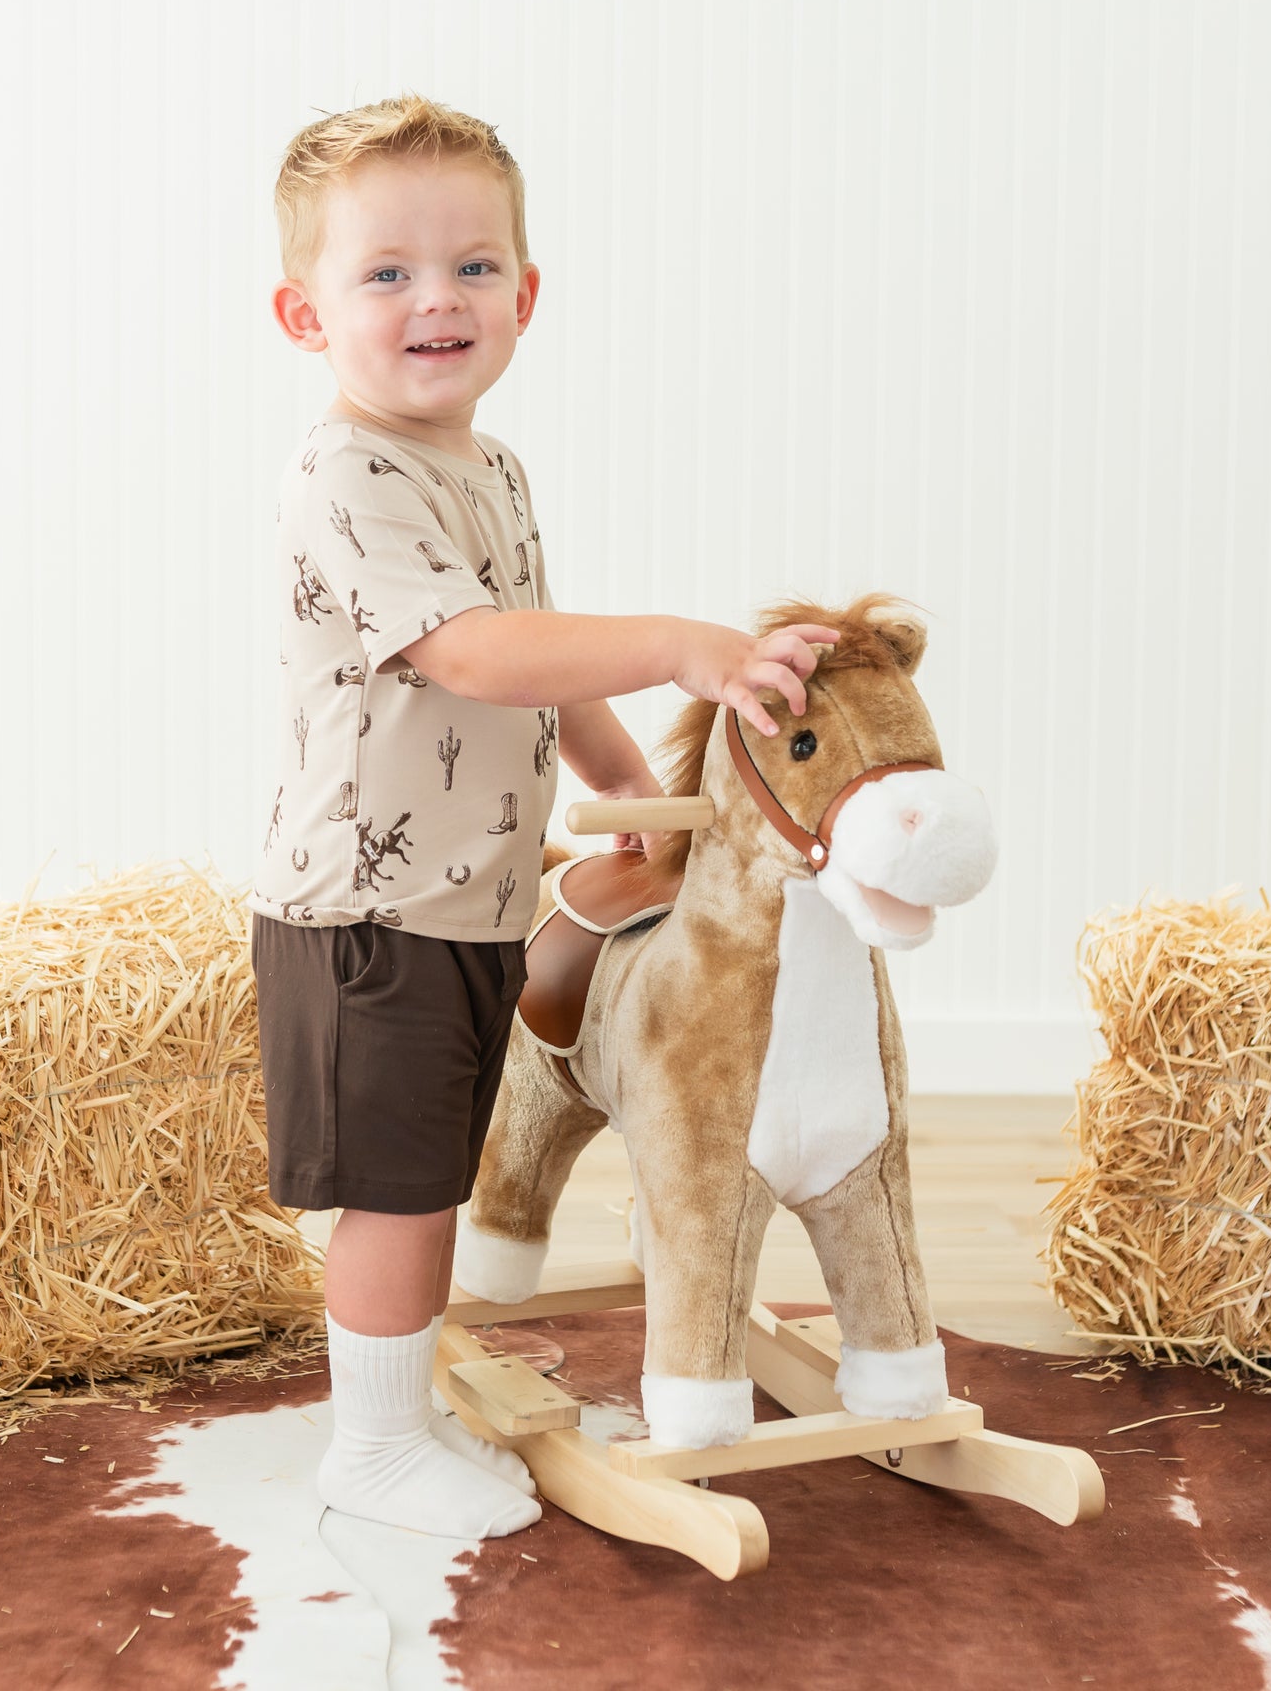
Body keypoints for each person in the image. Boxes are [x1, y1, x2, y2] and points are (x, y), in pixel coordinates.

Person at [252, 91, 839, 1539]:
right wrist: (682, 645)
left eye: (468, 265)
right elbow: (468, 654)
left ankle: (400, 1408)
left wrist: (629, 787)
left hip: (474, 898)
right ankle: (371, 1450)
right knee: (396, 1196)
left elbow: (536, 642)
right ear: (303, 313)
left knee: (433, 1176)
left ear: (526, 291)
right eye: (383, 272)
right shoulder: (344, 474)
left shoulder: (493, 469)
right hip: (365, 910)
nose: (433, 299)